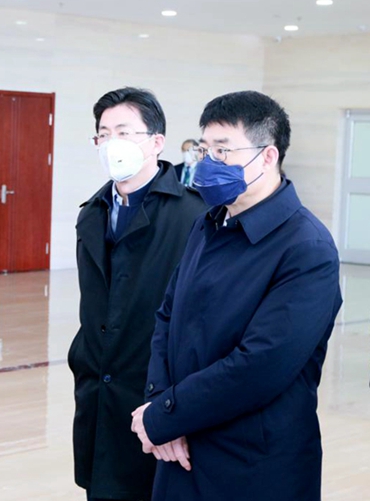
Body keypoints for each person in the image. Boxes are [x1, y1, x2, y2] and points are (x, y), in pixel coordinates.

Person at [131, 90, 343, 501]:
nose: (209, 163)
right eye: (205, 149)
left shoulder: (307, 247)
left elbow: (260, 366)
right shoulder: (208, 224)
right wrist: (160, 405)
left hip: (253, 465)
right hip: (181, 447)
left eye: (223, 150)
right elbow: (167, 317)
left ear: (268, 157)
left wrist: (166, 415)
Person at [69, 87, 207, 501]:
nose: (112, 143)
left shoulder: (194, 215)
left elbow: (201, 325)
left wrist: (175, 407)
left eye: (124, 132)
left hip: (160, 398)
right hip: (99, 396)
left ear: (156, 142)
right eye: (103, 134)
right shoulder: (91, 214)